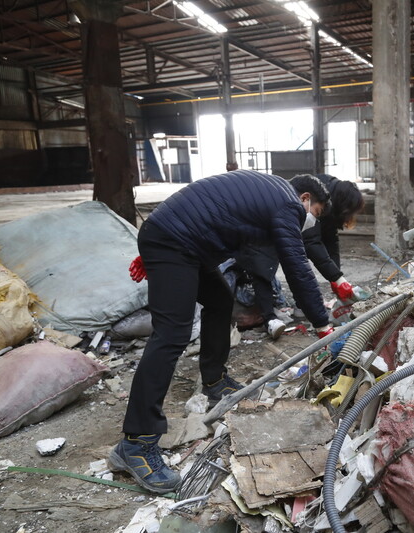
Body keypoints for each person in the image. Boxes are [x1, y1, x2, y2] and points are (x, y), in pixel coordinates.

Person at [110, 170, 334, 494]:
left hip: (179, 237)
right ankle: (135, 444)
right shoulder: (289, 206)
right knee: (171, 334)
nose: (308, 221)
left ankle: (215, 381)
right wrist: (323, 324)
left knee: (218, 298)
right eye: (313, 213)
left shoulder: (272, 194)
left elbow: (236, 238)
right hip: (174, 240)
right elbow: (297, 267)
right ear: (305, 200)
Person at [239, 174, 365, 339]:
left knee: (291, 264)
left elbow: (330, 241)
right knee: (266, 265)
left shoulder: (329, 200)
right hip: (260, 230)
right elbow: (310, 246)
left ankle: (299, 307)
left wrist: (337, 278)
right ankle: (269, 318)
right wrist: (322, 324)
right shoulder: (311, 199)